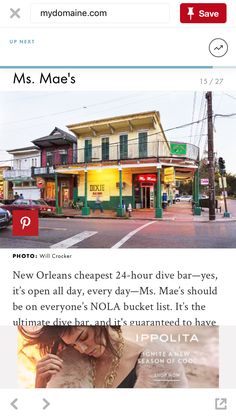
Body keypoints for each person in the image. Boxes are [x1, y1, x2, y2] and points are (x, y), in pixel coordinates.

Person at [19, 326, 188, 388]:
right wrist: (40, 386)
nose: (82, 349)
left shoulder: (160, 367)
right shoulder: (68, 371)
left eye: (83, 337)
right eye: (73, 345)